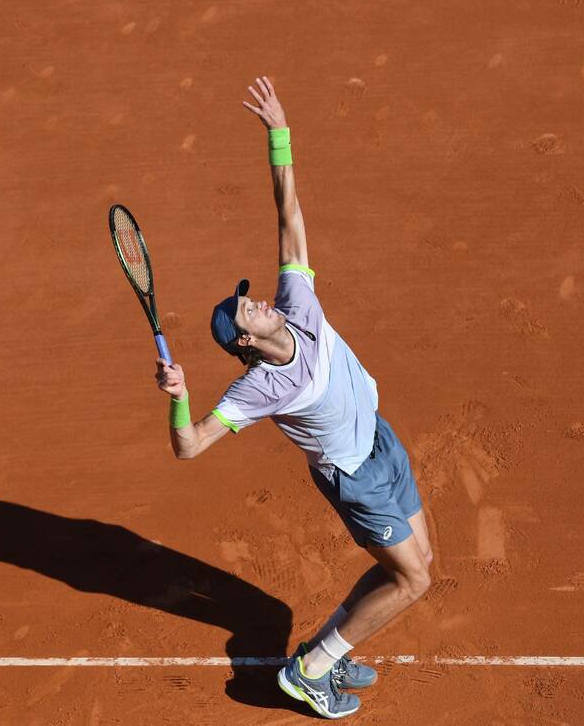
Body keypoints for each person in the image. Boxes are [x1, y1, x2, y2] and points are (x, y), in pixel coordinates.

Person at [154, 77, 433, 719]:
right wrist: (181, 395)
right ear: (246, 343)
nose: (254, 302)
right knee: (414, 579)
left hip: (380, 441)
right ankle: (309, 672)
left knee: (417, 564)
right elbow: (189, 447)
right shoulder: (261, 387)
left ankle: (323, 654)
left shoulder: (297, 302)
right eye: (244, 311)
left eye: (248, 298)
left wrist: (278, 132)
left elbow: (290, 216)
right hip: (354, 476)